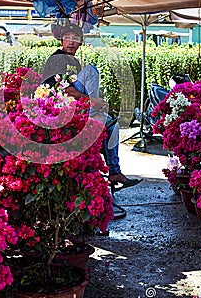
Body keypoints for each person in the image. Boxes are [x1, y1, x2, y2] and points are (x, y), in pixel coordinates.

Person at [42, 21, 142, 192]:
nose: (72, 42)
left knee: (112, 125)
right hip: (59, 107)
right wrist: (93, 102)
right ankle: (92, 111)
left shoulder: (74, 63)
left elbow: (80, 90)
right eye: (68, 38)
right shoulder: (57, 58)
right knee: (91, 70)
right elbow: (66, 90)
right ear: (62, 41)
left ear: (80, 42)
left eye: (75, 38)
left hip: (77, 107)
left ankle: (114, 171)